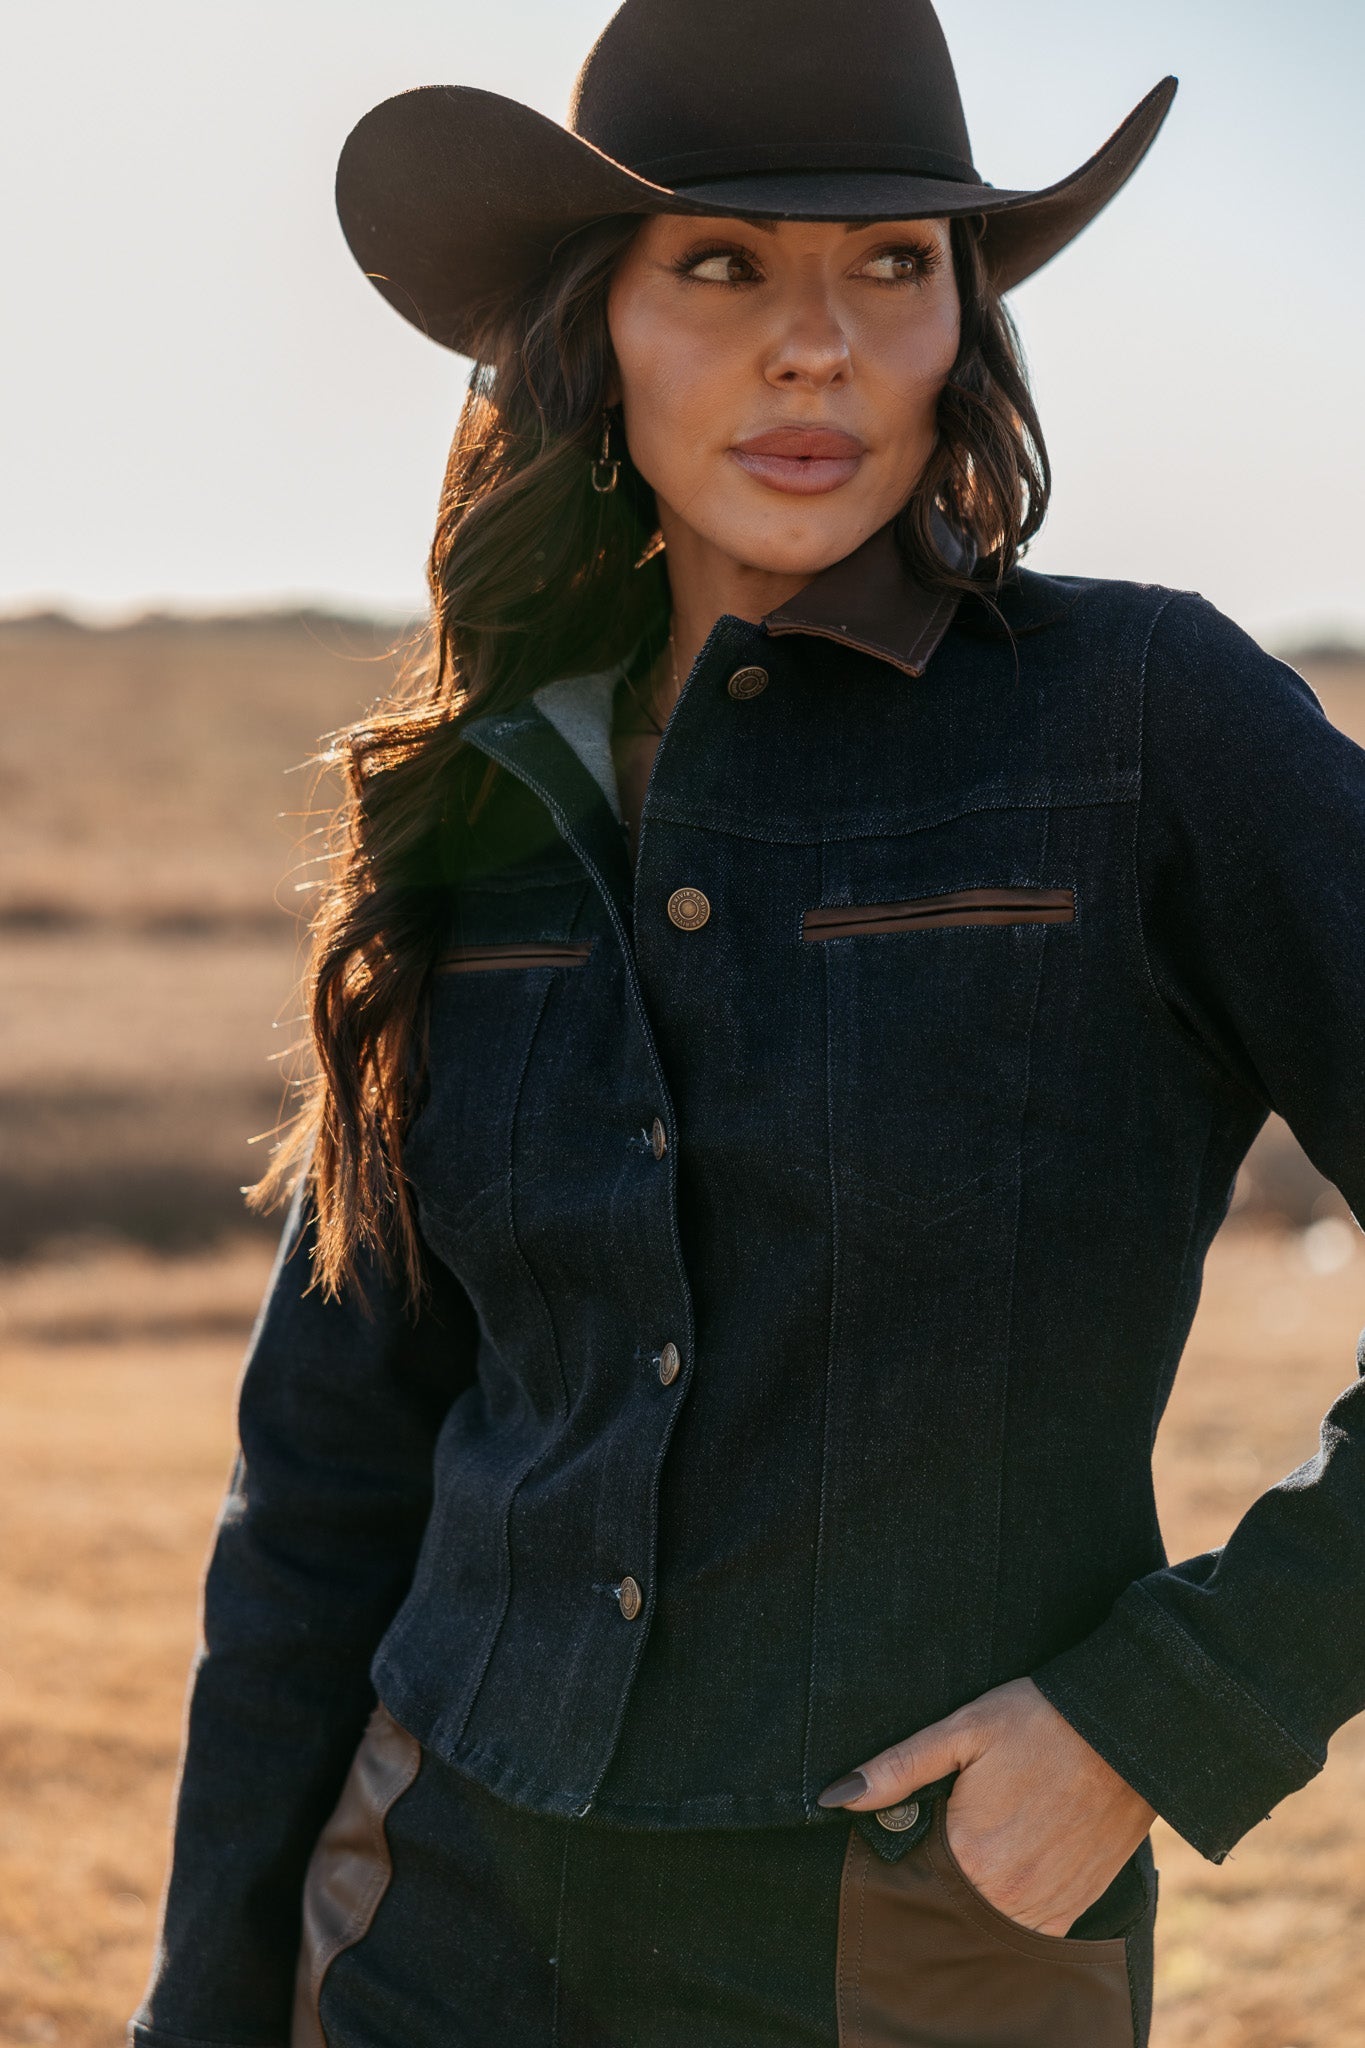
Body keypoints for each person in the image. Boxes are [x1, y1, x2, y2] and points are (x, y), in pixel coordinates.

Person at [130, 2, 1365, 2044]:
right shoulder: (474, 800)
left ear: (962, 318)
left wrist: (1161, 1712)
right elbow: (325, 1479)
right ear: (586, 325)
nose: (818, 345)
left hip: (911, 1948)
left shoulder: (1144, 727)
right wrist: (205, 1998)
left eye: (892, 265)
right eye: (719, 265)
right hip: (423, 1915)